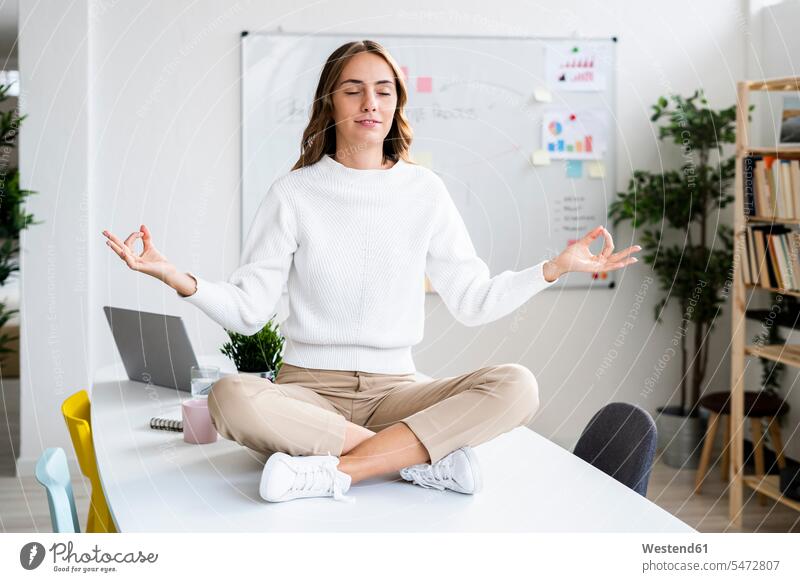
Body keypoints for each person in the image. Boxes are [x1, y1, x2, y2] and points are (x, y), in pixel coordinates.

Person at [103, 40, 640, 504]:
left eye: (384, 90)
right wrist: (177, 276)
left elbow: (474, 300)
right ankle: (413, 457)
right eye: (353, 89)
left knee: (517, 386)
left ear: (397, 103)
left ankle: (339, 468)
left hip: (397, 393)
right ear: (329, 102)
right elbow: (249, 313)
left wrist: (552, 268)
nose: (370, 103)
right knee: (229, 397)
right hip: (307, 393)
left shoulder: (424, 191)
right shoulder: (293, 194)